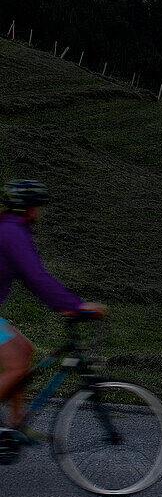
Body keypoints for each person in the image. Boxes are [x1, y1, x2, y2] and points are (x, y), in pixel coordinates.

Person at [0, 180, 105, 430]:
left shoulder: (10, 228)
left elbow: (33, 277)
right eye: (38, 206)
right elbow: (35, 276)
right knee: (16, 366)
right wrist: (74, 306)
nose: (40, 212)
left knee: (24, 351)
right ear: (29, 207)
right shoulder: (11, 232)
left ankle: (14, 428)